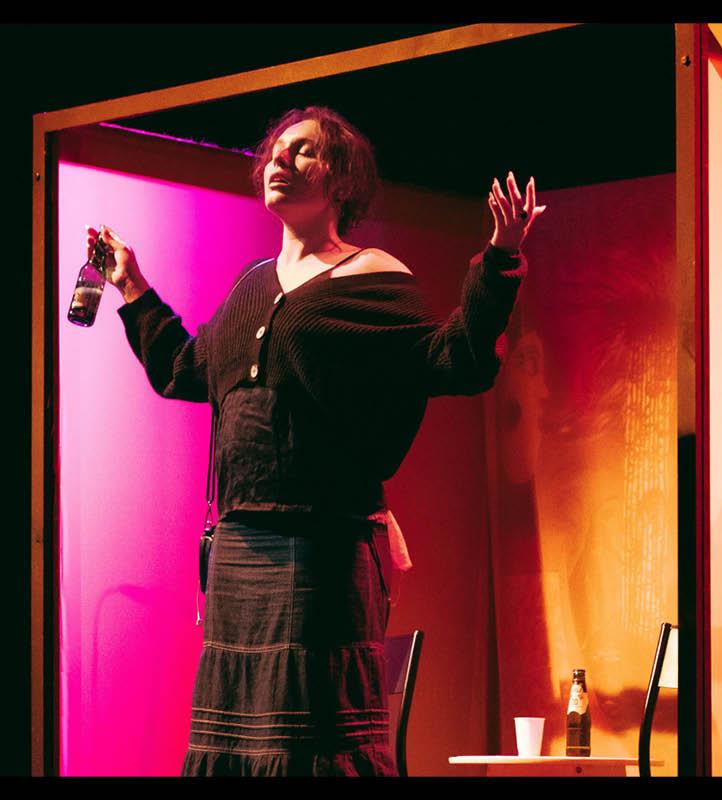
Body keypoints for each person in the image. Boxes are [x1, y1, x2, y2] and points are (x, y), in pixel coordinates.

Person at [86, 106, 546, 777]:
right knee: (236, 743)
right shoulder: (251, 285)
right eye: (275, 151)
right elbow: (184, 369)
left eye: (301, 151)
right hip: (238, 550)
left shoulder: (372, 276)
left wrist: (499, 260)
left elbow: (453, 357)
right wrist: (131, 283)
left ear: (340, 179)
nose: (279, 160)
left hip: (319, 546)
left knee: (307, 743)